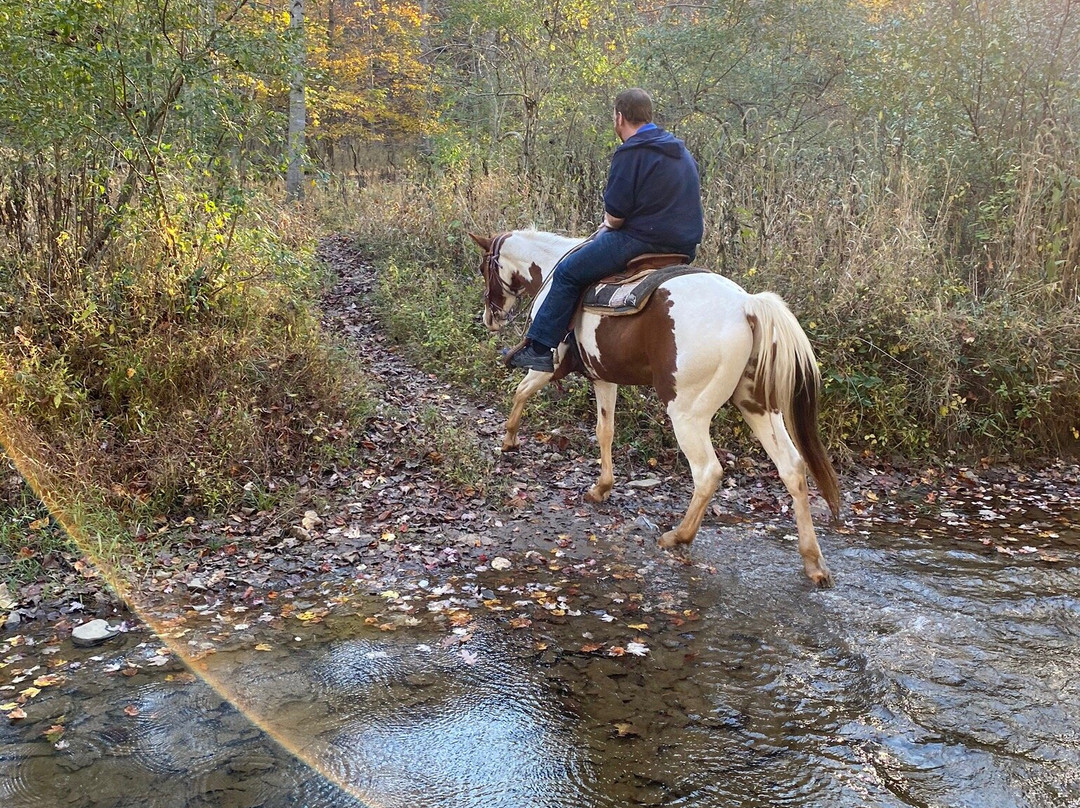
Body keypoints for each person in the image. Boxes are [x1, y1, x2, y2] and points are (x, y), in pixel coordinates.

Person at [508, 88, 705, 372]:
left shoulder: (631, 153)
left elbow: (616, 215)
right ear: (649, 115)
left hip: (642, 241)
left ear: (620, 117)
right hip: (685, 246)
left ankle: (540, 349)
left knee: (568, 271)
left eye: (614, 116)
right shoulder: (680, 151)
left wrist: (608, 224)